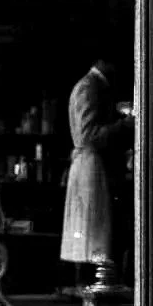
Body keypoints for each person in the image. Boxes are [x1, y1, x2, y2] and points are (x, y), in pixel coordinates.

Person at [60, 55, 134, 284]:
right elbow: (88, 135)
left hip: (97, 167)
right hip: (92, 169)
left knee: (96, 233)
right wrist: (126, 125)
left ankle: (96, 286)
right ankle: (91, 288)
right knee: (92, 233)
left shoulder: (98, 87)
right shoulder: (90, 87)